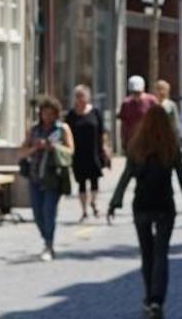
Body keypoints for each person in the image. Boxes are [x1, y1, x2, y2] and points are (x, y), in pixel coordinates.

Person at [107, 104, 182, 319]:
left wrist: (115, 201)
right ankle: (158, 299)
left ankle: (149, 297)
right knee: (161, 254)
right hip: (165, 205)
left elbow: (126, 176)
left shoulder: (137, 145)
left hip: (142, 205)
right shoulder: (170, 146)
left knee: (147, 254)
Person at [22, 97, 75, 261]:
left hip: (53, 176)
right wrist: (35, 147)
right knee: (38, 214)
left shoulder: (62, 129)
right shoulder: (34, 130)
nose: (48, 117)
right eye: (45, 113)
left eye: (51, 114)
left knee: (48, 211)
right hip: (35, 175)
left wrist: (54, 147)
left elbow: (70, 151)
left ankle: (49, 245)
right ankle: (46, 237)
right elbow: (22, 151)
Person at [67, 85, 108, 221]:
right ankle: (84, 210)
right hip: (78, 153)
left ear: (88, 97)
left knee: (95, 180)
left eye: (82, 96)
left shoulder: (95, 112)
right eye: (78, 96)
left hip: (94, 151)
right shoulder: (71, 115)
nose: (80, 99)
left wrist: (106, 148)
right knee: (81, 182)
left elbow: (102, 132)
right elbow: (66, 133)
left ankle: (94, 202)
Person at [119, 76, 156, 154]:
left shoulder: (152, 101)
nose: (136, 95)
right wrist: (123, 139)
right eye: (134, 93)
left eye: (138, 93)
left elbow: (158, 120)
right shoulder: (126, 103)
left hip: (149, 139)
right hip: (132, 139)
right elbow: (124, 123)